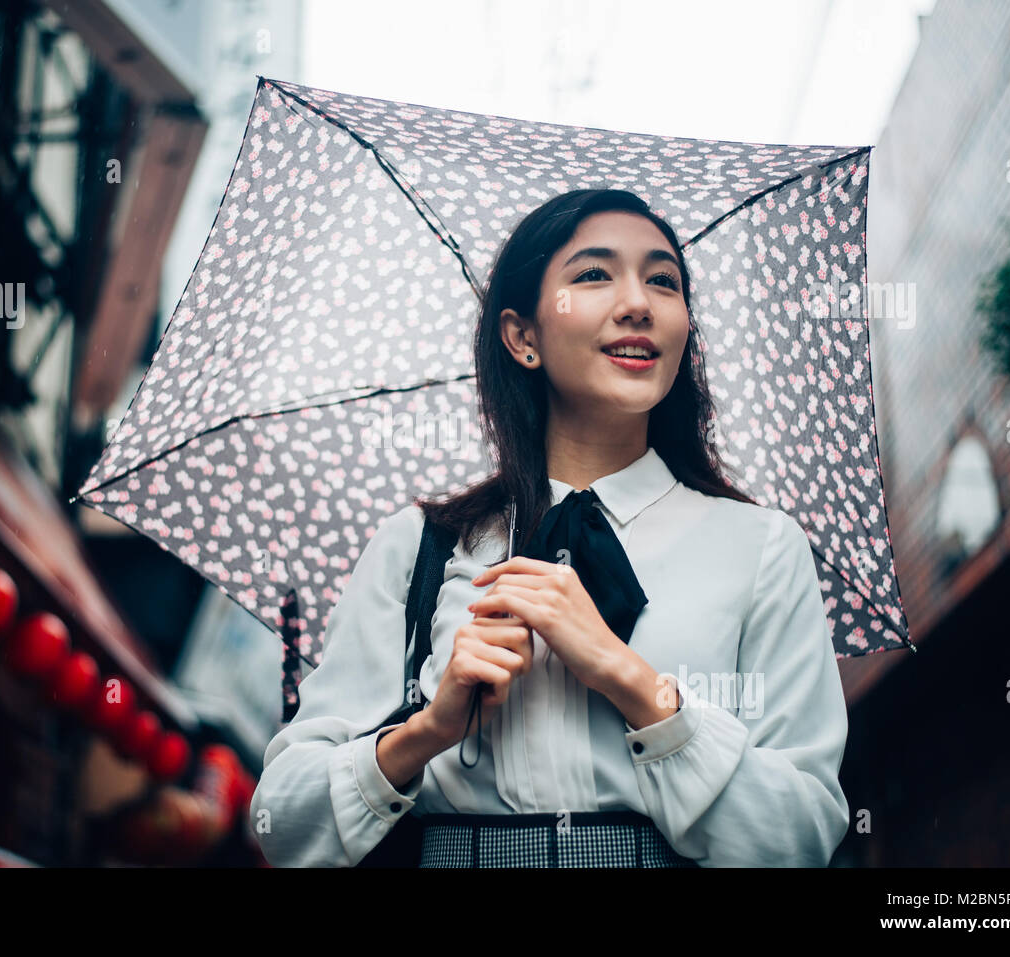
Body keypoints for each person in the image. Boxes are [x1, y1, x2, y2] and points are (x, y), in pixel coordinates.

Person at [250, 187, 851, 868]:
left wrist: (631, 680)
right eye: (594, 274)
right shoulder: (419, 546)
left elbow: (800, 836)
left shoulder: (760, 546)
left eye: (663, 281)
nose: (637, 303)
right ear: (522, 336)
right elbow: (284, 822)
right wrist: (427, 729)